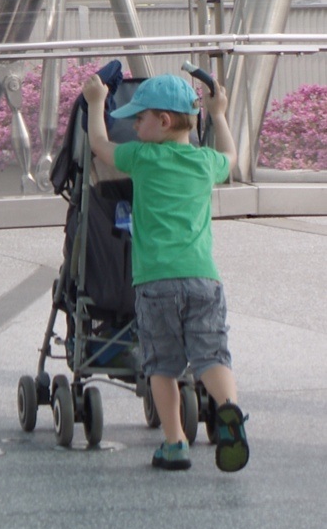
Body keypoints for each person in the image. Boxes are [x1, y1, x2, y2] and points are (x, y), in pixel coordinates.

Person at [81, 70, 249, 474]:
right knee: (211, 355)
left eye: (140, 118)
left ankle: (175, 444)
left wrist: (95, 103)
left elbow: (100, 147)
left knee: (162, 365)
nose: (134, 125)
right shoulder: (204, 162)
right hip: (203, 279)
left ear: (165, 121)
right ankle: (228, 410)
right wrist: (220, 114)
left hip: (155, 282)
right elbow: (231, 158)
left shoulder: (143, 157)